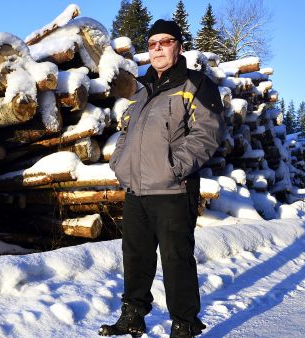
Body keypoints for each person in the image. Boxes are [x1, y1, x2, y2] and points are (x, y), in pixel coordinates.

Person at [99, 19, 224, 338]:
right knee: (135, 255)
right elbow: (127, 132)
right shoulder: (143, 92)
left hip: (173, 189)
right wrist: (120, 162)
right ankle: (133, 316)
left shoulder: (196, 85)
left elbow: (206, 135)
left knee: (176, 258)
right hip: (136, 189)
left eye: (165, 42)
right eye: (152, 43)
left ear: (179, 47)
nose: (157, 48)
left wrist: (172, 167)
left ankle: (184, 323)